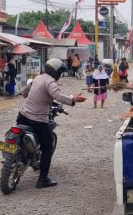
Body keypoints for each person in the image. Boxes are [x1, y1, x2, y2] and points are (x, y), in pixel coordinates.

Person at [17, 58, 86, 188]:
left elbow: (26, 90)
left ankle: (20, 156)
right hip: (38, 121)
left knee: (20, 135)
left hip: (22, 116)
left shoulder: (39, 77)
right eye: (60, 72)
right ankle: (43, 179)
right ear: (56, 72)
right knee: (47, 147)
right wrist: (73, 99)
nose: (60, 75)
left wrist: (23, 93)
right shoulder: (50, 82)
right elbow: (58, 96)